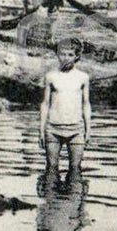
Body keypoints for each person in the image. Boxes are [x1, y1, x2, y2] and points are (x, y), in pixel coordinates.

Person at [40, 38, 91, 189]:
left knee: (75, 169)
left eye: (70, 54)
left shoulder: (83, 77)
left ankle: (76, 207)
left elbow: (86, 104)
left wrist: (88, 129)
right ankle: (51, 206)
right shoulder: (51, 76)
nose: (66, 58)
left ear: (76, 56)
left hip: (76, 129)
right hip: (53, 129)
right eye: (62, 54)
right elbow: (45, 103)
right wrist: (41, 130)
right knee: (51, 168)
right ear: (57, 54)